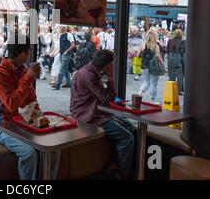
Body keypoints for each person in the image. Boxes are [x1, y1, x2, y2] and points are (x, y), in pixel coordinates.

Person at [0, 32, 60, 180]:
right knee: (28, 153)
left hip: (21, 122)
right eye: (28, 51)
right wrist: (28, 79)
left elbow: (31, 99)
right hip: (0, 125)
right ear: (24, 52)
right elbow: (11, 105)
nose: (29, 55)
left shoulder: (24, 70)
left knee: (54, 148)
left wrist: (39, 117)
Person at [70, 50, 134, 179]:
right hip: (88, 117)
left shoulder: (85, 71)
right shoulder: (91, 77)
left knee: (128, 125)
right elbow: (108, 100)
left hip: (91, 112)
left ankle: (114, 165)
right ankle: (122, 175)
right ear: (107, 66)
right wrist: (110, 78)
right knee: (128, 138)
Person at [137, 27, 167, 104]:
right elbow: (159, 57)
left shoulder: (143, 44)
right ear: (155, 36)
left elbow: (138, 55)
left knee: (146, 82)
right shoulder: (156, 45)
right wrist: (164, 66)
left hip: (144, 65)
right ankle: (152, 100)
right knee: (154, 83)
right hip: (154, 66)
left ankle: (139, 93)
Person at [52, 25, 75, 90]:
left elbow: (73, 45)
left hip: (66, 54)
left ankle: (57, 84)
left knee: (62, 69)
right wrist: (56, 52)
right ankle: (68, 82)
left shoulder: (69, 35)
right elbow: (60, 45)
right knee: (65, 69)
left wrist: (66, 51)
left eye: (61, 27)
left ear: (64, 28)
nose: (59, 28)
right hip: (62, 54)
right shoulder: (60, 35)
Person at [166, 29, 185, 95]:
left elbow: (167, 50)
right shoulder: (182, 41)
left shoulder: (170, 40)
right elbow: (183, 52)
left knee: (171, 75)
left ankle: (171, 90)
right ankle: (178, 91)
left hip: (170, 59)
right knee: (180, 76)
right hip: (178, 60)